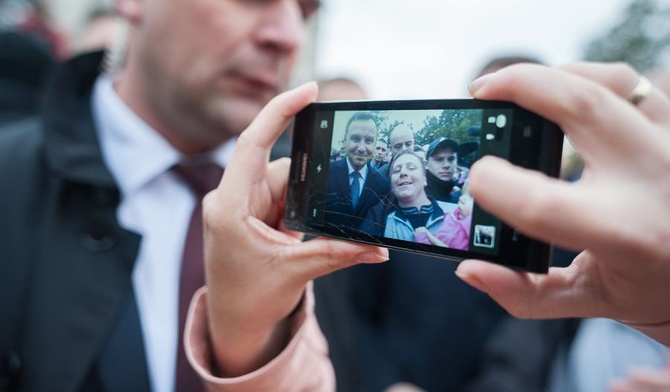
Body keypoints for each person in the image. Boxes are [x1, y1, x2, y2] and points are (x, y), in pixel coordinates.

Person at [0, 0, 364, 391]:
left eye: (305, 13)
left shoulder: (323, 204)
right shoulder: (11, 179)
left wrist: (256, 351)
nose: (289, 36)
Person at [325, 111, 391, 230]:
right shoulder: (328, 173)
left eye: (368, 141)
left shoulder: (383, 186)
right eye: (355, 139)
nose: (361, 148)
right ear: (345, 141)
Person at [415, 181, 473, 250]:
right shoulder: (453, 217)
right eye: (463, 194)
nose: (461, 198)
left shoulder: (471, 225)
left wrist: (422, 237)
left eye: (472, 196)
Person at [424, 136, 461, 203]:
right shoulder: (418, 196)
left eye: (451, 159)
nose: (447, 165)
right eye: (439, 159)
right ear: (426, 164)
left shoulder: (459, 198)